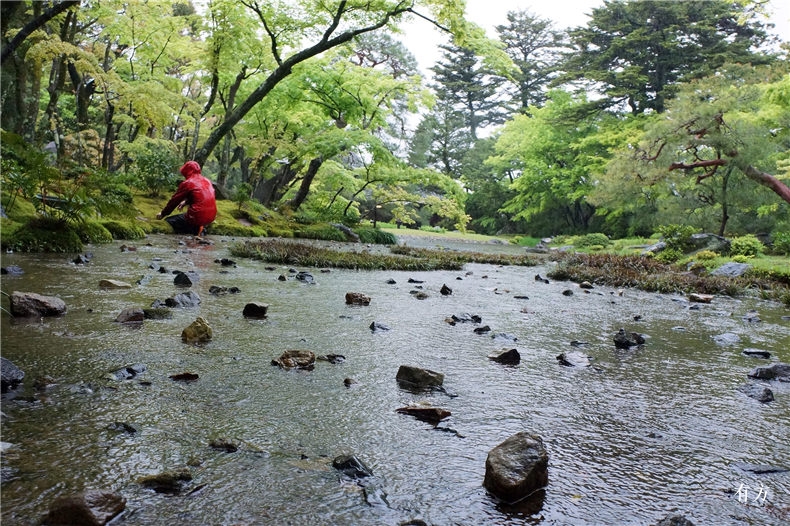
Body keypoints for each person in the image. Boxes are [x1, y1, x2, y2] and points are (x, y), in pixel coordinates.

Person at [156, 161, 217, 236]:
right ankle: (199, 230)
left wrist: (163, 213)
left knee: (169, 221)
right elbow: (201, 197)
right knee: (188, 219)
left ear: (186, 171)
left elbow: (174, 201)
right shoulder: (207, 181)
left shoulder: (188, 183)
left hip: (196, 216)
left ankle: (195, 231)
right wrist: (186, 202)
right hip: (211, 217)